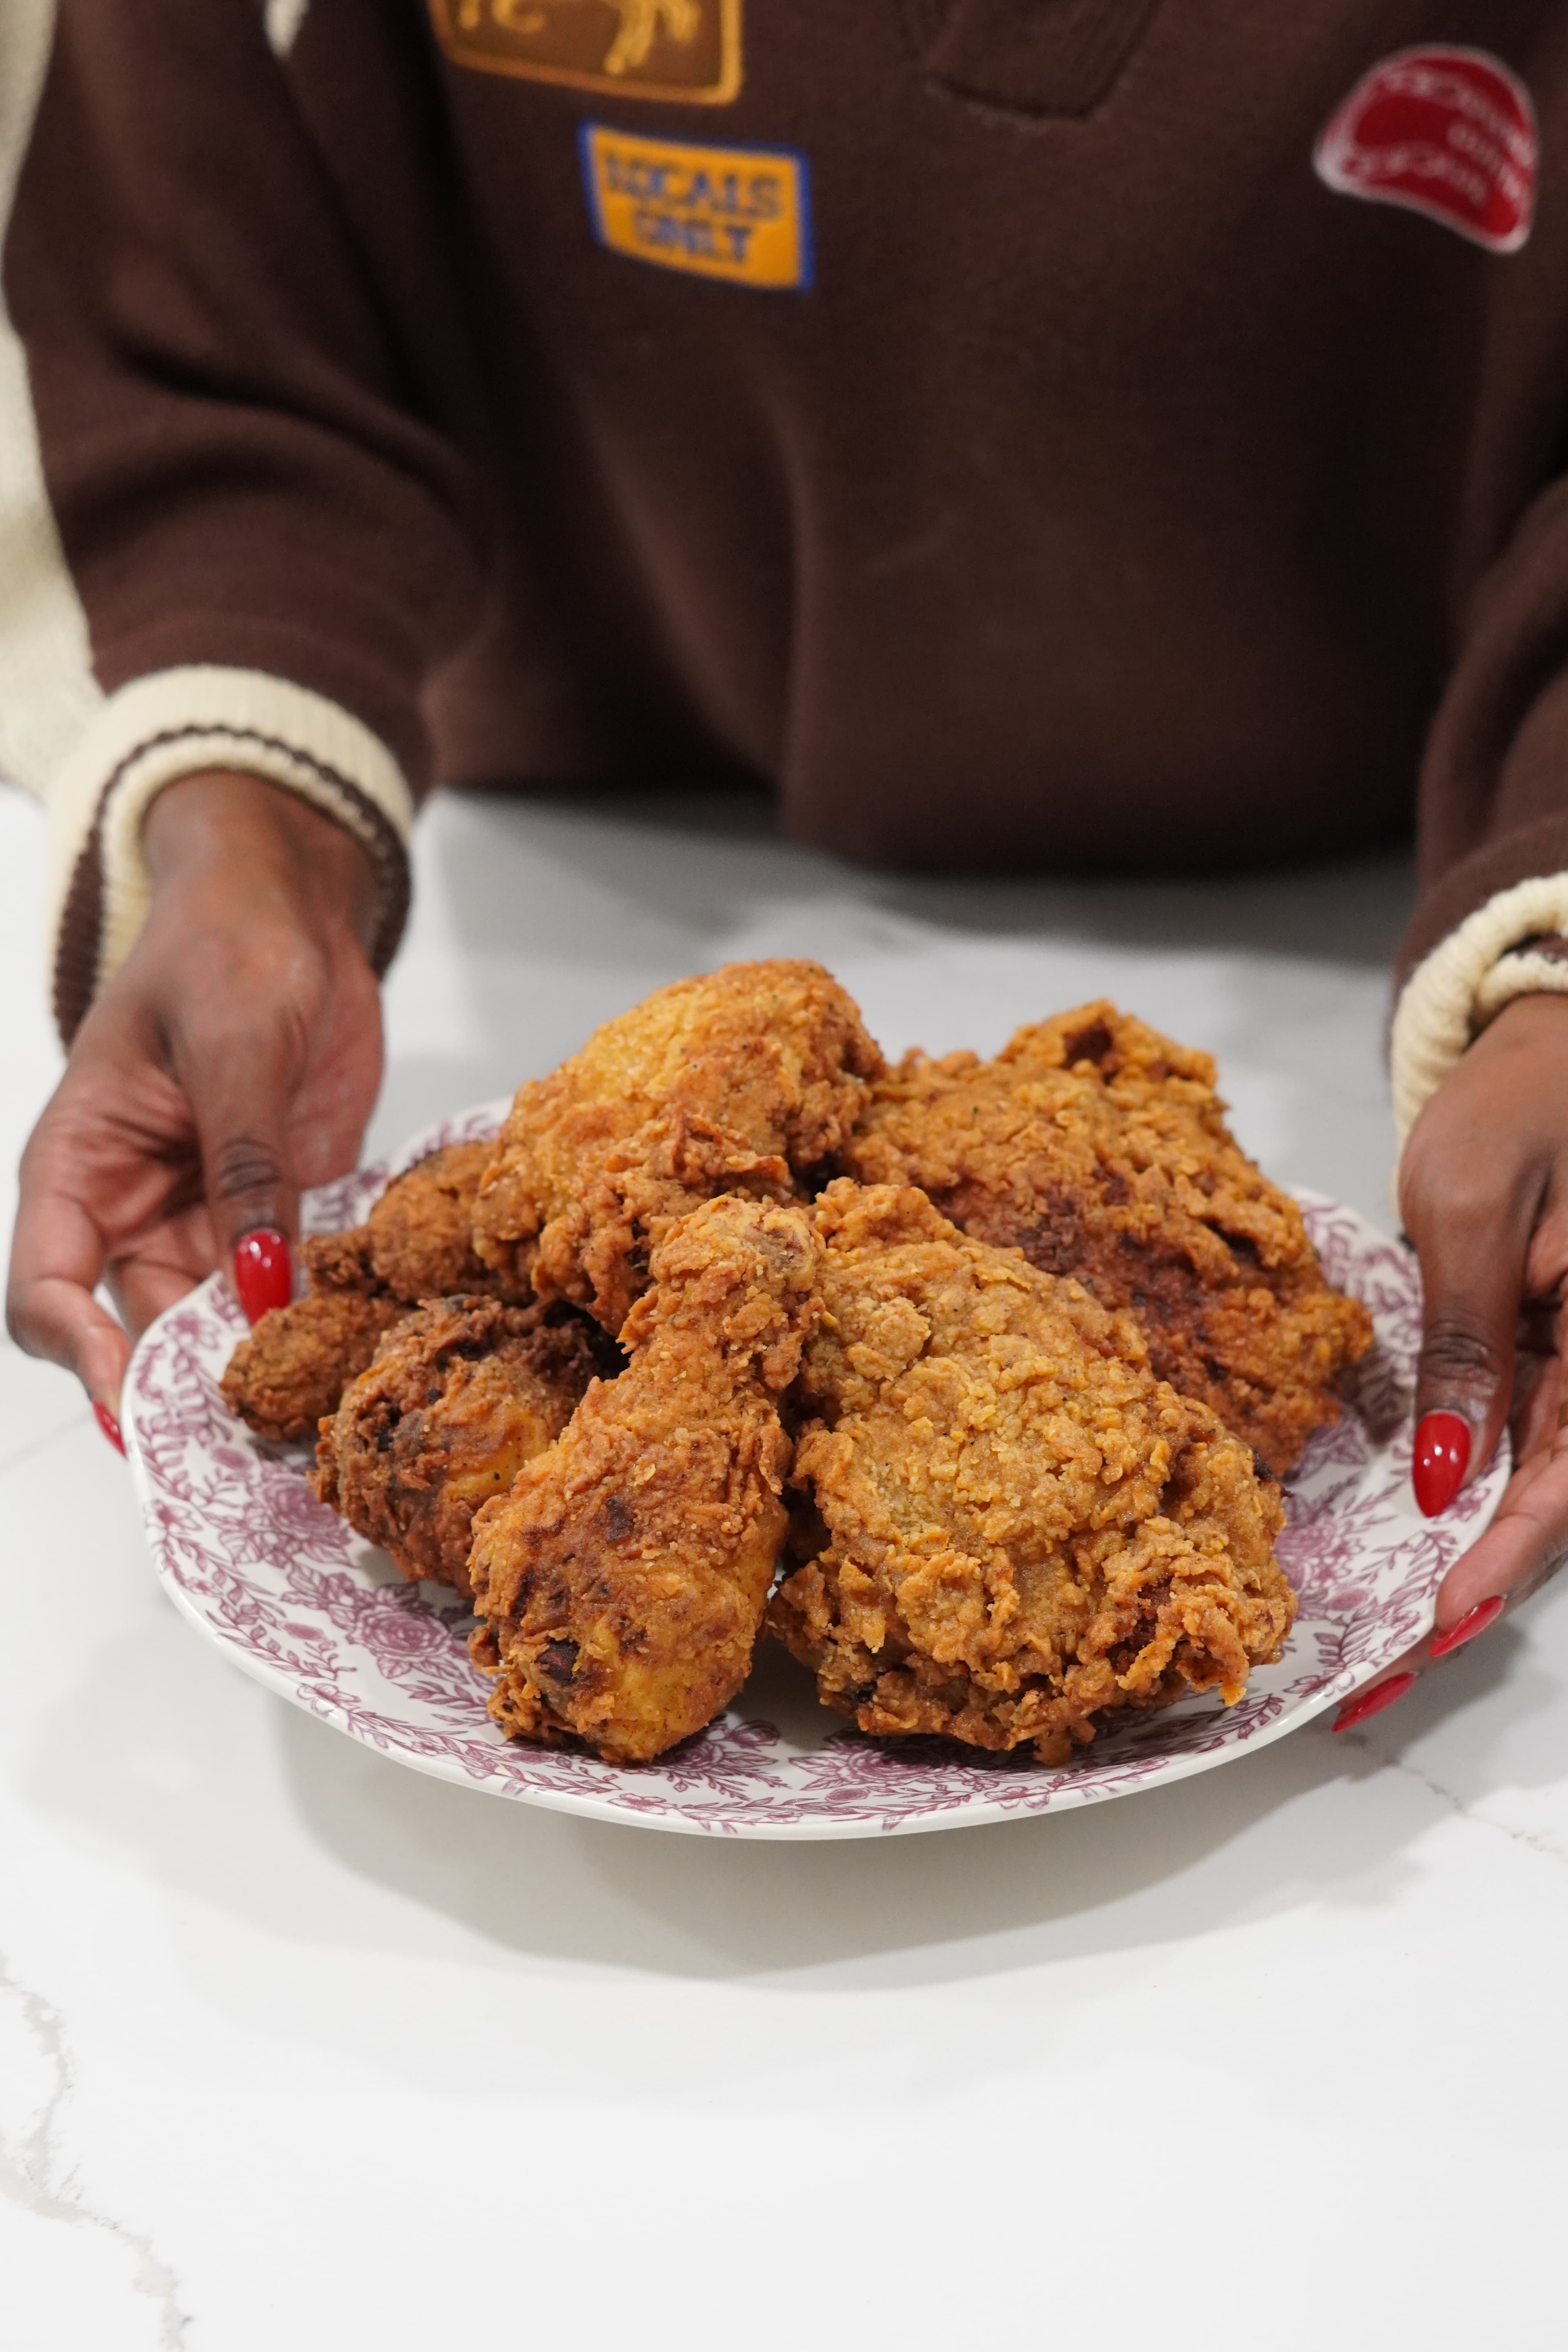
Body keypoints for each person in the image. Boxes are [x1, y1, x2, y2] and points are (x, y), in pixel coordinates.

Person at [5, 5, 1568, 1730]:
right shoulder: (710, 1220)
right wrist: (251, 821)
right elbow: (194, 302)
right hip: (567, 824)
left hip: (1396, 869)